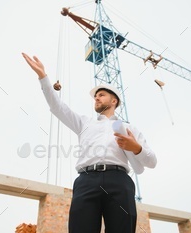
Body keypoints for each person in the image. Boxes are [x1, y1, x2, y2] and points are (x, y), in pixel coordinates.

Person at [22, 53, 157, 233]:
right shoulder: (85, 123)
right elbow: (57, 107)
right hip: (86, 181)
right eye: (96, 96)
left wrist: (136, 148)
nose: (97, 98)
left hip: (119, 181)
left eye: (101, 95)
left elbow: (152, 161)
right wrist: (43, 77)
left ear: (114, 101)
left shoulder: (129, 128)